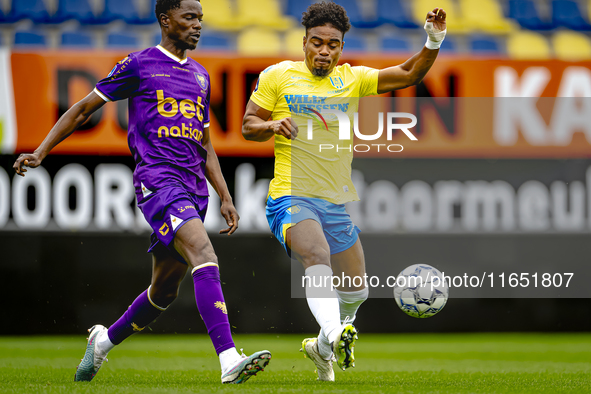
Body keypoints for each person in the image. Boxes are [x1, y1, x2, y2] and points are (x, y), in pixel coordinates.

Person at [13, 0, 271, 385]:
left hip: (193, 187)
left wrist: (226, 195)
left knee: (163, 292)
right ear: (166, 21)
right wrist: (40, 151)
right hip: (158, 181)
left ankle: (102, 341)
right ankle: (229, 358)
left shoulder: (201, 76)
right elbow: (83, 109)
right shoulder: (139, 64)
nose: (197, 25)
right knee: (204, 251)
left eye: (200, 18)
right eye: (189, 18)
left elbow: (204, 144)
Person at [242, 1, 446, 382]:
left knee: (356, 292)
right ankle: (335, 335)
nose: (324, 50)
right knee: (316, 254)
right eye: (316, 42)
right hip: (291, 195)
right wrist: (271, 125)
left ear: (341, 47)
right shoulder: (278, 76)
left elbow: (409, 73)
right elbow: (247, 125)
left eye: (332, 44)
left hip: (334, 202)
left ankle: (321, 347)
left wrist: (433, 39)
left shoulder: (352, 79)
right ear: (304, 43)